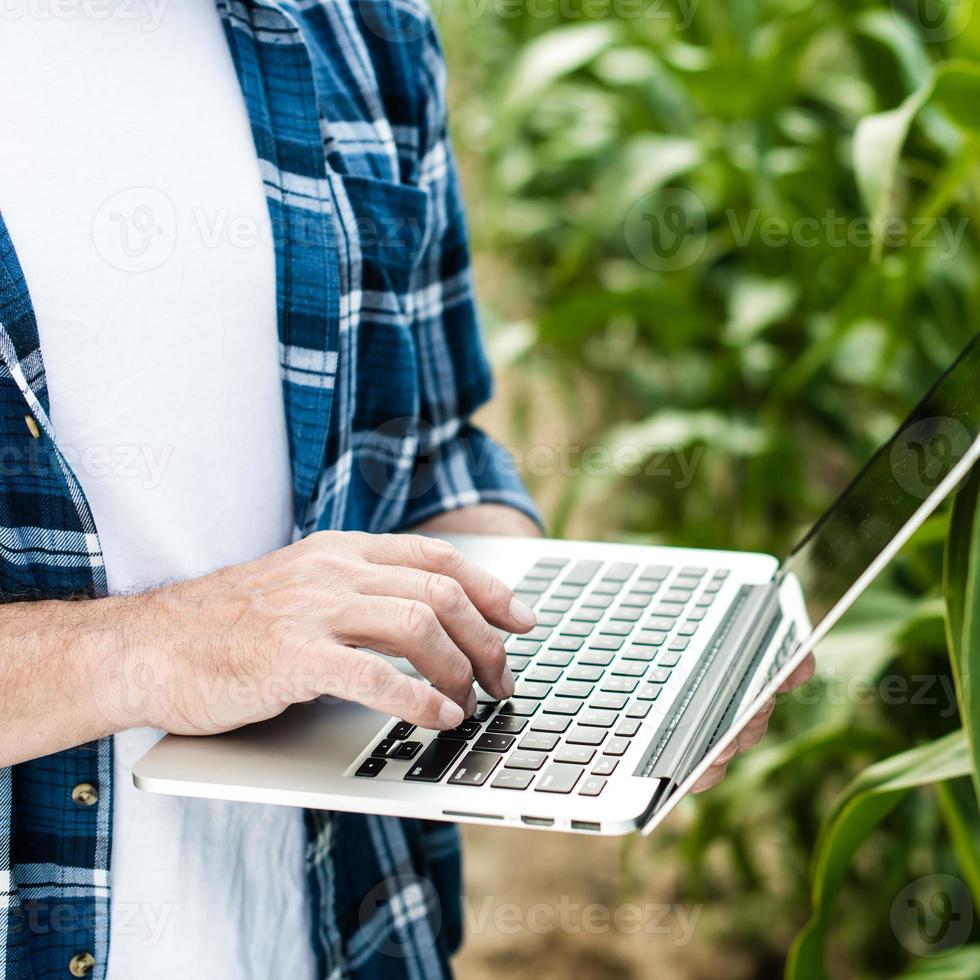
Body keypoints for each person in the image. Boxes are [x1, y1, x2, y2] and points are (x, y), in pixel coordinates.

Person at [0, 1, 812, 977]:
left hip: (348, 932)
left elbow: (430, 451)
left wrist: (573, 655)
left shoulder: (360, 26)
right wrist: (146, 649)